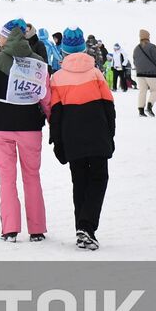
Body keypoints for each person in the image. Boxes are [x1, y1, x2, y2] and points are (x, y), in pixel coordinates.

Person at [0, 20, 50, 243]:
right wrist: (52, 120)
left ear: (7, 38)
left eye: (1, 37)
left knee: (7, 179)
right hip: (30, 127)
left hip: (1, 126)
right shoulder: (38, 62)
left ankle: (10, 229)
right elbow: (46, 97)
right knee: (32, 177)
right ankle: (37, 229)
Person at [48, 28, 116, 251]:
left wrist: (57, 142)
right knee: (99, 179)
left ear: (64, 50)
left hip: (71, 135)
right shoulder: (95, 73)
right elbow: (109, 107)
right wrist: (110, 134)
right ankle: (87, 227)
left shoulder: (56, 78)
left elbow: (55, 115)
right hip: (97, 133)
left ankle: (82, 228)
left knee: (79, 181)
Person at [132, 29, 156, 117]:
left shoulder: (136, 48)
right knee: (155, 90)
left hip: (139, 74)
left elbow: (134, 61)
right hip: (151, 74)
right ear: (147, 37)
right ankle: (149, 106)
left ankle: (141, 111)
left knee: (142, 91)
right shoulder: (151, 46)